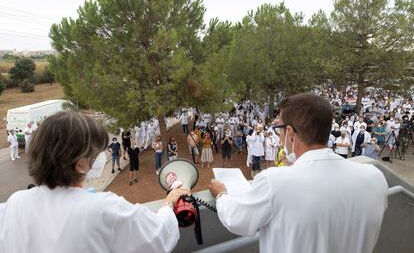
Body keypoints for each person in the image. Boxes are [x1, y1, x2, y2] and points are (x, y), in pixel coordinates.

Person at [209, 93, 388, 253]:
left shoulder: (275, 181)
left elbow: (237, 220)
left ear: (290, 133)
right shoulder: (374, 177)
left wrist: (221, 195)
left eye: (279, 129)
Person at [0, 111, 189, 253]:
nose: (98, 157)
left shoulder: (14, 204)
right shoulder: (103, 207)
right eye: (94, 152)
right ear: (80, 162)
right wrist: (169, 203)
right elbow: (158, 237)